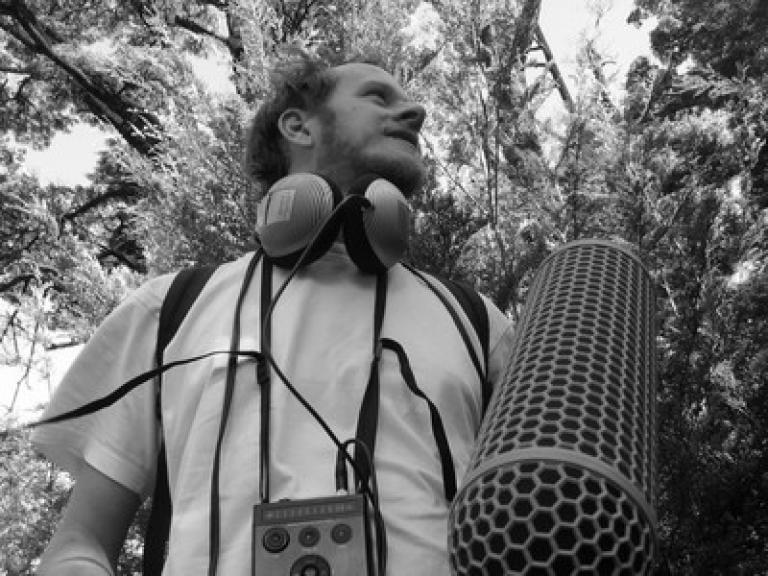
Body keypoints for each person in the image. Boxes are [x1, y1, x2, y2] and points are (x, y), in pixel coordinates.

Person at [32, 54, 516, 575]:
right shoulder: (170, 308)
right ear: (297, 125)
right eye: (378, 96)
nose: (416, 111)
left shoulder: (480, 324)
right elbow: (80, 542)